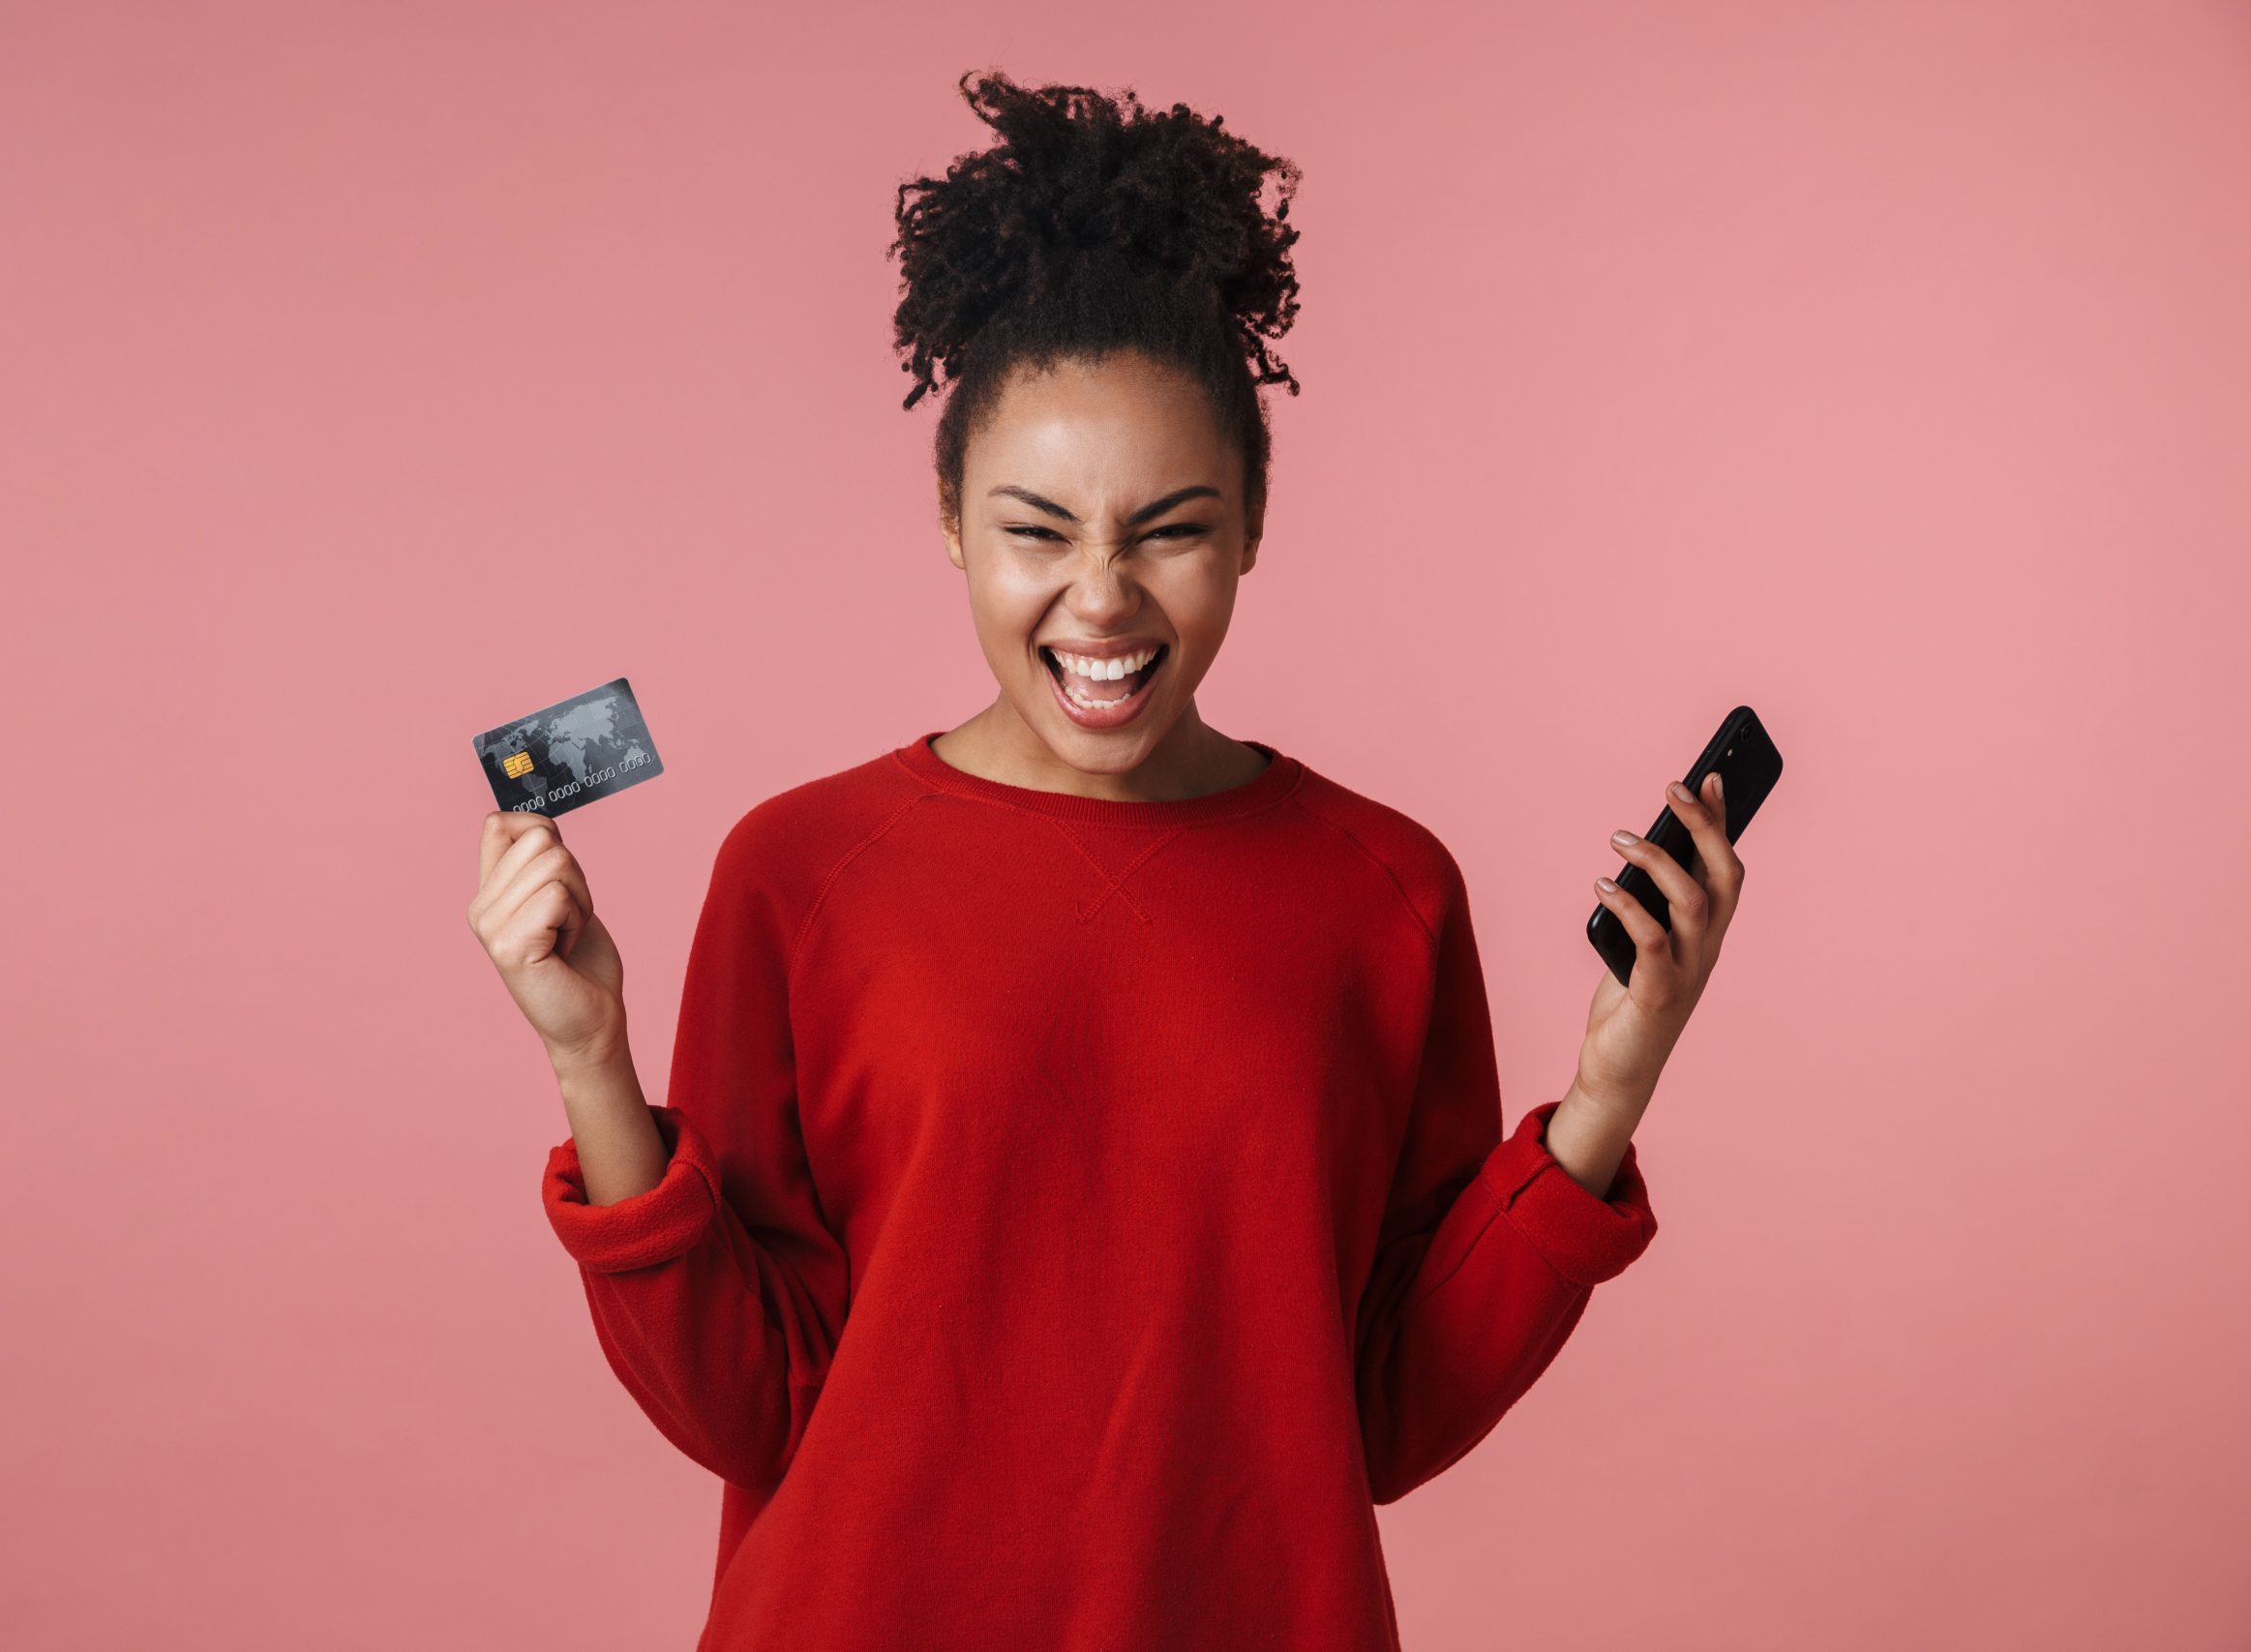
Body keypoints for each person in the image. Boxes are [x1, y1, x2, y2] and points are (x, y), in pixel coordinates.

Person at [465, 68, 1745, 1652]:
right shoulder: (798, 874)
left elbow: (1385, 1418)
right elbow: (749, 1402)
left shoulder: (1386, 892)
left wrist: (1609, 1095)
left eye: (1170, 528)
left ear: (1255, 523)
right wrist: (589, 1058)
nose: (1101, 601)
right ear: (948, 518)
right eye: (1035, 529)